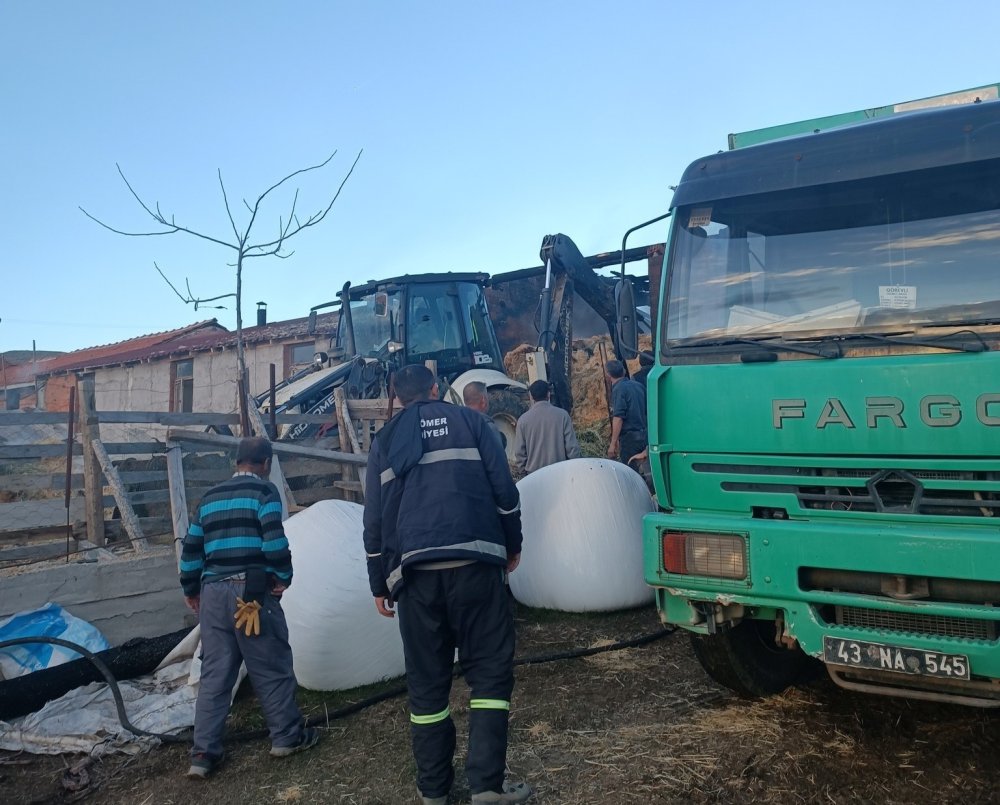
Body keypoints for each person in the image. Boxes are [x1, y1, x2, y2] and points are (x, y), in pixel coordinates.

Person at [363, 364, 531, 805]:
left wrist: (377, 581)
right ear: (437, 389)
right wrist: (512, 544)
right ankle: (486, 789)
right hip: (476, 565)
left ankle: (434, 791)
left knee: (427, 685)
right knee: (490, 675)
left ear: (397, 397)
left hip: (414, 579)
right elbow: (505, 494)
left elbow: (375, 519)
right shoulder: (474, 422)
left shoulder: (385, 441)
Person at [179, 437, 319, 779]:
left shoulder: (209, 498)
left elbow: (192, 549)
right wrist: (282, 577)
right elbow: (275, 543)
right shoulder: (265, 494)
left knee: (215, 673)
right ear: (266, 463)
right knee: (269, 664)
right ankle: (287, 737)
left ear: (236, 461)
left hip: (213, 595)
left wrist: (191, 589)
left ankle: (202, 755)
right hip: (251, 594)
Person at [512, 379, 581, 475]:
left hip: (534, 475)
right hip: (560, 473)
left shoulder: (523, 421)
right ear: (548, 395)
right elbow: (572, 449)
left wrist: (524, 473)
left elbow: (520, 454)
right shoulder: (562, 415)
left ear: (531, 396)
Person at [605, 359, 648, 469]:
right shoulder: (639, 386)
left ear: (608, 375)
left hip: (630, 440)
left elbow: (618, 418)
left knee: (630, 472)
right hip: (644, 435)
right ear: (624, 371)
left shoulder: (619, 389)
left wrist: (613, 444)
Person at [462, 380, 503, 447]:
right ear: (483, 400)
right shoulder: (488, 428)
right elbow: (498, 456)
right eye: (487, 397)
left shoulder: (457, 426)